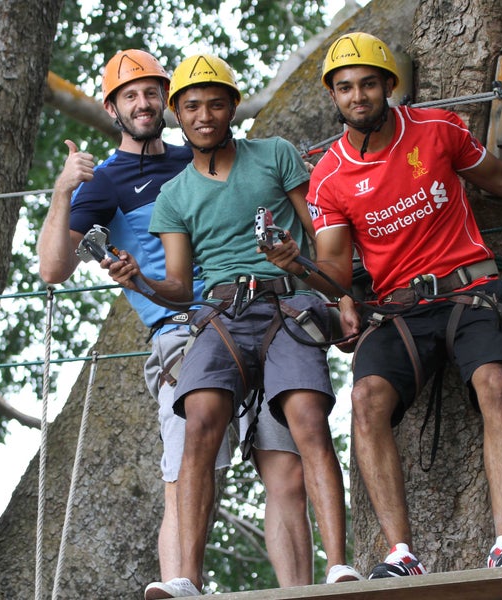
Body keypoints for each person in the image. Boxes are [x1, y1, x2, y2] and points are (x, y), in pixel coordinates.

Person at [263, 31, 502, 579]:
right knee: (366, 397)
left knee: (495, 382)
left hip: (471, 288)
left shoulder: (437, 130)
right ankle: (400, 555)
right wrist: (295, 264)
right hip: (401, 307)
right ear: (333, 96)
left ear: (389, 85)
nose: (358, 96)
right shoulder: (328, 178)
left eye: (369, 83)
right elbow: (337, 274)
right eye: (345, 87)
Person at [37, 49, 315, 594]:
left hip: (259, 315)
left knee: (287, 469)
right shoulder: (107, 182)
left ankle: (301, 593)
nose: (143, 103)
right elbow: (52, 268)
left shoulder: (204, 155)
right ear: (112, 108)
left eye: (150, 92)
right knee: (189, 468)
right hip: (183, 335)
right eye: (129, 95)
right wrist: (64, 189)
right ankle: (180, 585)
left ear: (167, 100)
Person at [109, 52, 362, 598]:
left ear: (233, 108)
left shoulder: (274, 155)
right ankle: (187, 580)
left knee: (307, 417)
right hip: (221, 315)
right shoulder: (174, 195)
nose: (205, 115)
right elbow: (179, 287)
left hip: (286, 305)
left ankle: (339, 566)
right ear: (177, 113)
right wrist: (139, 282)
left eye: (216, 103)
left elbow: (325, 239)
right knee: (199, 418)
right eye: (193, 106)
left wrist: (327, 283)